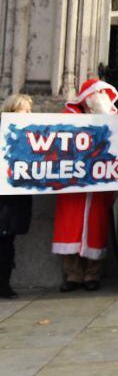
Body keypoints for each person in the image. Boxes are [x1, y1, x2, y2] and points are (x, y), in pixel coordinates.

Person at [53, 79, 118, 292]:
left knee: (96, 231)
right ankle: (72, 275)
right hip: (72, 189)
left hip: (99, 189)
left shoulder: (115, 119)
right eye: (97, 93)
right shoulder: (67, 118)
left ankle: (93, 274)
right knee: (69, 230)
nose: (102, 97)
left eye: (104, 93)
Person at [0, 94, 34, 299]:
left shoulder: (32, 134)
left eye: (30, 110)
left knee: (7, 241)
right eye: (24, 110)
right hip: (3, 196)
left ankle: (4, 283)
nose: (28, 114)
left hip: (16, 197)